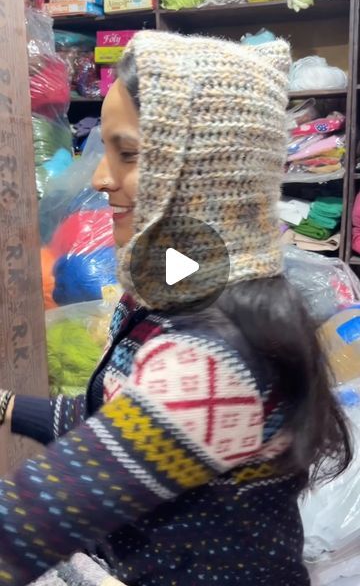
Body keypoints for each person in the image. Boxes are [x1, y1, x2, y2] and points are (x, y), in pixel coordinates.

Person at [0, 31, 351, 586]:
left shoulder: (214, 357)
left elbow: (26, 523)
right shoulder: (177, 291)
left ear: (201, 177)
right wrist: (6, 405)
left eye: (130, 154)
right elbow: (110, 418)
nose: (98, 178)